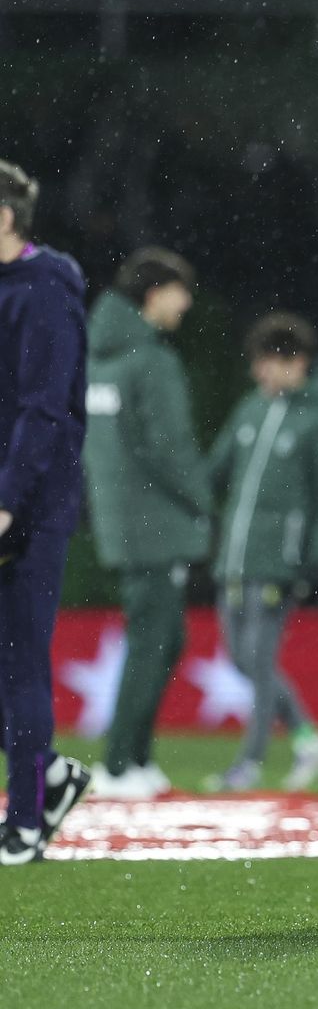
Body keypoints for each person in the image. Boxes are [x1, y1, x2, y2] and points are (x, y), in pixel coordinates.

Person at [83, 246, 209, 799]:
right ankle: (119, 764)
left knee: (160, 637)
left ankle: (132, 758)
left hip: (119, 518)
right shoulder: (152, 360)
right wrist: (204, 499)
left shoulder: (98, 358)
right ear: (155, 293)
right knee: (154, 640)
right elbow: (168, 446)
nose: (185, 305)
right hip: (156, 521)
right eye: (181, 292)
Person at [205, 313, 318, 792]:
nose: (258, 373)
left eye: (267, 363)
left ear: (296, 362)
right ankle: (308, 739)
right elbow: (215, 469)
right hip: (235, 559)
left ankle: (249, 762)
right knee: (242, 660)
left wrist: (314, 559)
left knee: (258, 661)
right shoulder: (250, 409)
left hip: (278, 563)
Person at [0, 159, 95, 864]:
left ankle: (26, 824)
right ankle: (50, 776)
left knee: (21, 665)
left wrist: (8, 500)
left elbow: (45, 408)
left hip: (28, 505)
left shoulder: (46, 285)